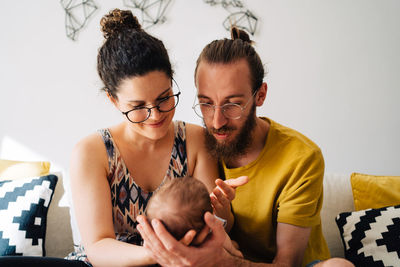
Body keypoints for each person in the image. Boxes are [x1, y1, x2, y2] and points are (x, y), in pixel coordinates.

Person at [137, 28, 355, 267]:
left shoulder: (301, 157)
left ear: (260, 95)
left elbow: (287, 262)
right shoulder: (195, 144)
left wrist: (223, 262)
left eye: (233, 105)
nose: (217, 122)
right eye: (206, 104)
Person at [65, 8, 242, 267]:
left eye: (164, 99)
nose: (155, 115)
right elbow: (98, 247)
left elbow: (213, 226)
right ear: (113, 100)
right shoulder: (92, 152)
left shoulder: (194, 141)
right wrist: (158, 253)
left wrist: (223, 211)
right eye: (138, 107)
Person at [146, 176, 243, 258]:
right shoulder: (218, 239)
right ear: (207, 220)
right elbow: (236, 255)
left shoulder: (159, 251)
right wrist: (234, 249)